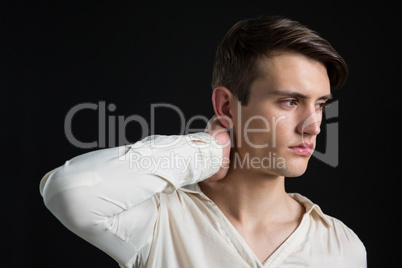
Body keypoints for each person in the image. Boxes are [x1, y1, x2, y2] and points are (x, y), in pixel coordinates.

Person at [40, 16, 367, 267]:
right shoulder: (160, 219)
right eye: (290, 102)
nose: (314, 128)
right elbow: (69, 192)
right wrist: (207, 152)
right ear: (226, 106)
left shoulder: (341, 247)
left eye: (320, 104)